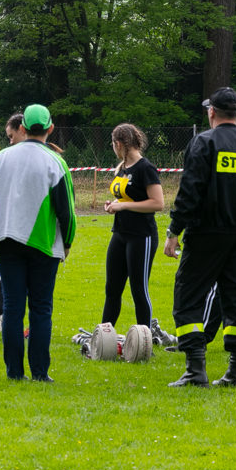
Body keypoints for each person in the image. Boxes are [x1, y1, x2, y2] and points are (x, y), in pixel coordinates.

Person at [164, 87, 236, 387]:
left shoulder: (204, 142)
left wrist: (174, 231)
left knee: (190, 294)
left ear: (211, 112)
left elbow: (190, 191)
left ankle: (195, 369)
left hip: (207, 232)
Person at [0, 104, 76, 382]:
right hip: (42, 243)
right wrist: (67, 241)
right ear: (51, 128)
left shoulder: (2, 157)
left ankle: (13, 372)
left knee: (12, 307)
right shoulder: (56, 162)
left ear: (21, 128)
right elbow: (66, 210)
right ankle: (40, 373)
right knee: (41, 308)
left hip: (7, 240)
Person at [101, 124, 163, 329]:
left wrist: (124, 206)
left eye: (112, 144)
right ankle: (103, 335)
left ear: (118, 144)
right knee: (112, 289)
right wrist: (113, 205)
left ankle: (144, 340)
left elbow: (158, 203)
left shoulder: (145, 168)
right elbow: (126, 197)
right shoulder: (122, 167)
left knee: (138, 289)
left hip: (141, 236)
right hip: (120, 233)